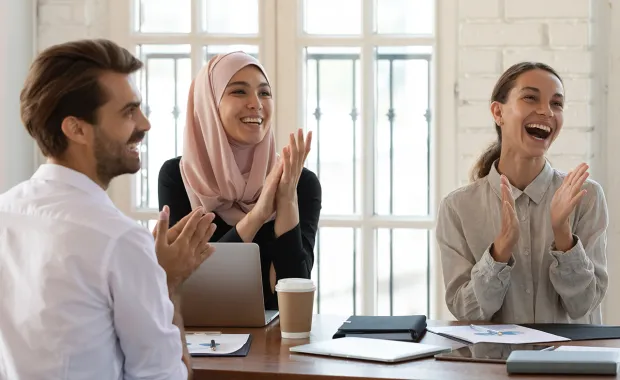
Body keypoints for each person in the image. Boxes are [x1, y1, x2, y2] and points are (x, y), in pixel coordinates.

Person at [0, 39, 216, 379]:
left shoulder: (5, 213)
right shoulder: (120, 240)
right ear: (76, 129)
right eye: (128, 111)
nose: (144, 124)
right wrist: (167, 282)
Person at [436, 62, 608, 324]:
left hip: (569, 364)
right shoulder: (458, 208)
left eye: (557, 103)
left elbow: (583, 305)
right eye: (530, 97)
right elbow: (466, 313)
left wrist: (563, 235)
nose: (546, 111)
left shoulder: (586, 196)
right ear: (498, 112)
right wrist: (500, 251)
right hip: (493, 363)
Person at [158, 52, 322, 310]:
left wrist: (287, 199)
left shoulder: (300, 182)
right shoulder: (179, 177)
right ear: (209, 104)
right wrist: (257, 215)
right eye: (239, 92)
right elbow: (195, 286)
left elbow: (292, 297)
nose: (256, 104)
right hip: (200, 342)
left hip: (273, 345)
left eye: (264, 93)